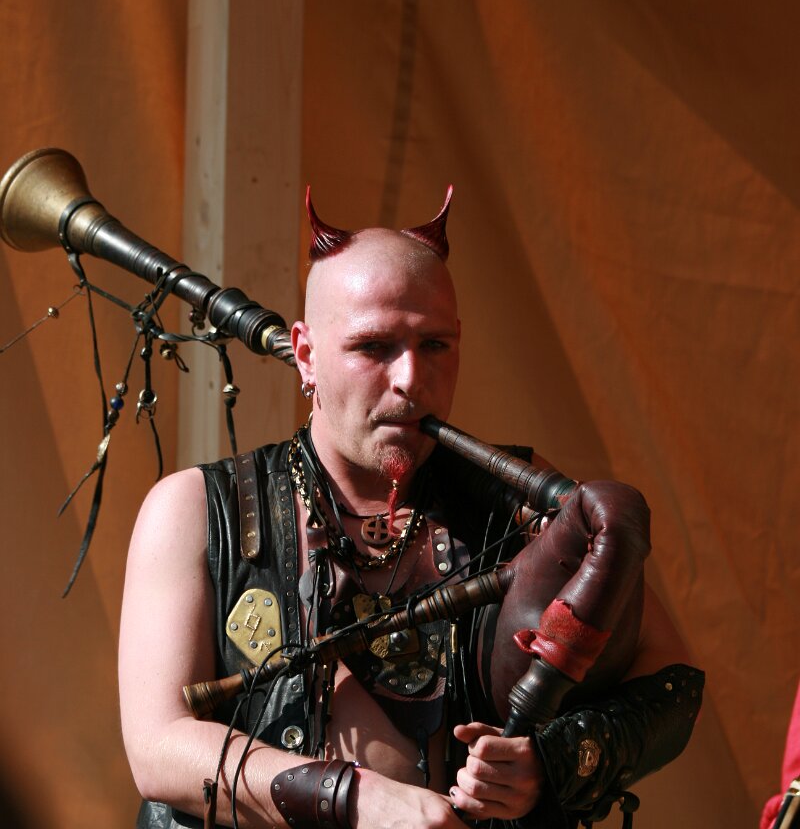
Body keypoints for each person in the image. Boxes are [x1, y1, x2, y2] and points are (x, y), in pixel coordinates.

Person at [118, 190, 703, 829]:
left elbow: (672, 677)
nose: (410, 379)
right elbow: (157, 746)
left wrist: (550, 761)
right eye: (373, 347)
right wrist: (355, 798)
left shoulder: (520, 501)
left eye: (435, 345)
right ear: (306, 355)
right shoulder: (196, 510)